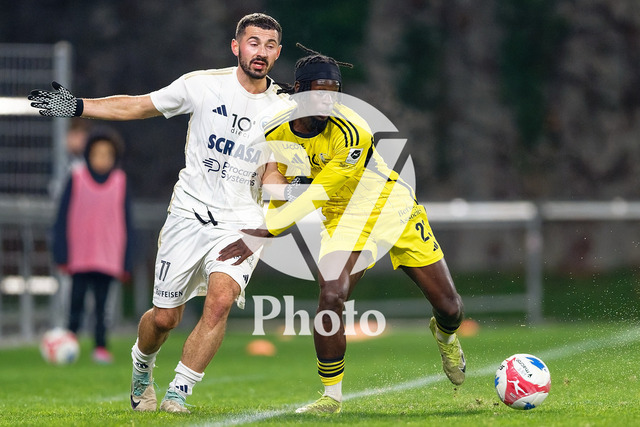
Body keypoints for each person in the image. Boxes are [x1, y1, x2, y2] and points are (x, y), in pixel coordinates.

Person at [29, 13, 289, 413]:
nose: (261, 52)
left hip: (241, 222)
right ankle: (142, 365)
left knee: (220, 301)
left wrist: (294, 196)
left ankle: (178, 392)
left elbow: (272, 174)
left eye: (270, 46)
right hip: (189, 214)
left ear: (278, 53)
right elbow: (137, 106)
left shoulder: (284, 107)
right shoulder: (202, 85)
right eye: (254, 43)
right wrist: (78, 106)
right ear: (236, 46)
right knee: (166, 318)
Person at [218, 47, 466, 414]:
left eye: (334, 93)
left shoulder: (353, 131)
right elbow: (279, 180)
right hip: (343, 218)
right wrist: (271, 200)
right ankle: (331, 397)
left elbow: (318, 192)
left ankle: (445, 335)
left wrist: (266, 230)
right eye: (319, 92)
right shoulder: (275, 128)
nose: (327, 101)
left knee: (450, 307)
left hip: (390, 207)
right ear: (298, 92)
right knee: (331, 294)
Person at [52, 127, 133, 364]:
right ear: (88, 154)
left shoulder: (120, 182)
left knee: (102, 307)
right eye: (97, 154)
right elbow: (62, 217)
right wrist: (62, 253)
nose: (102, 159)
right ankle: (69, 344)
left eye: (107, 155)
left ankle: (100, 346)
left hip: (108, 257)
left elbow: (127, 222)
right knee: (75, 303)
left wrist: (126, 261)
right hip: (80, 256)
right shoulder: (76, 178)